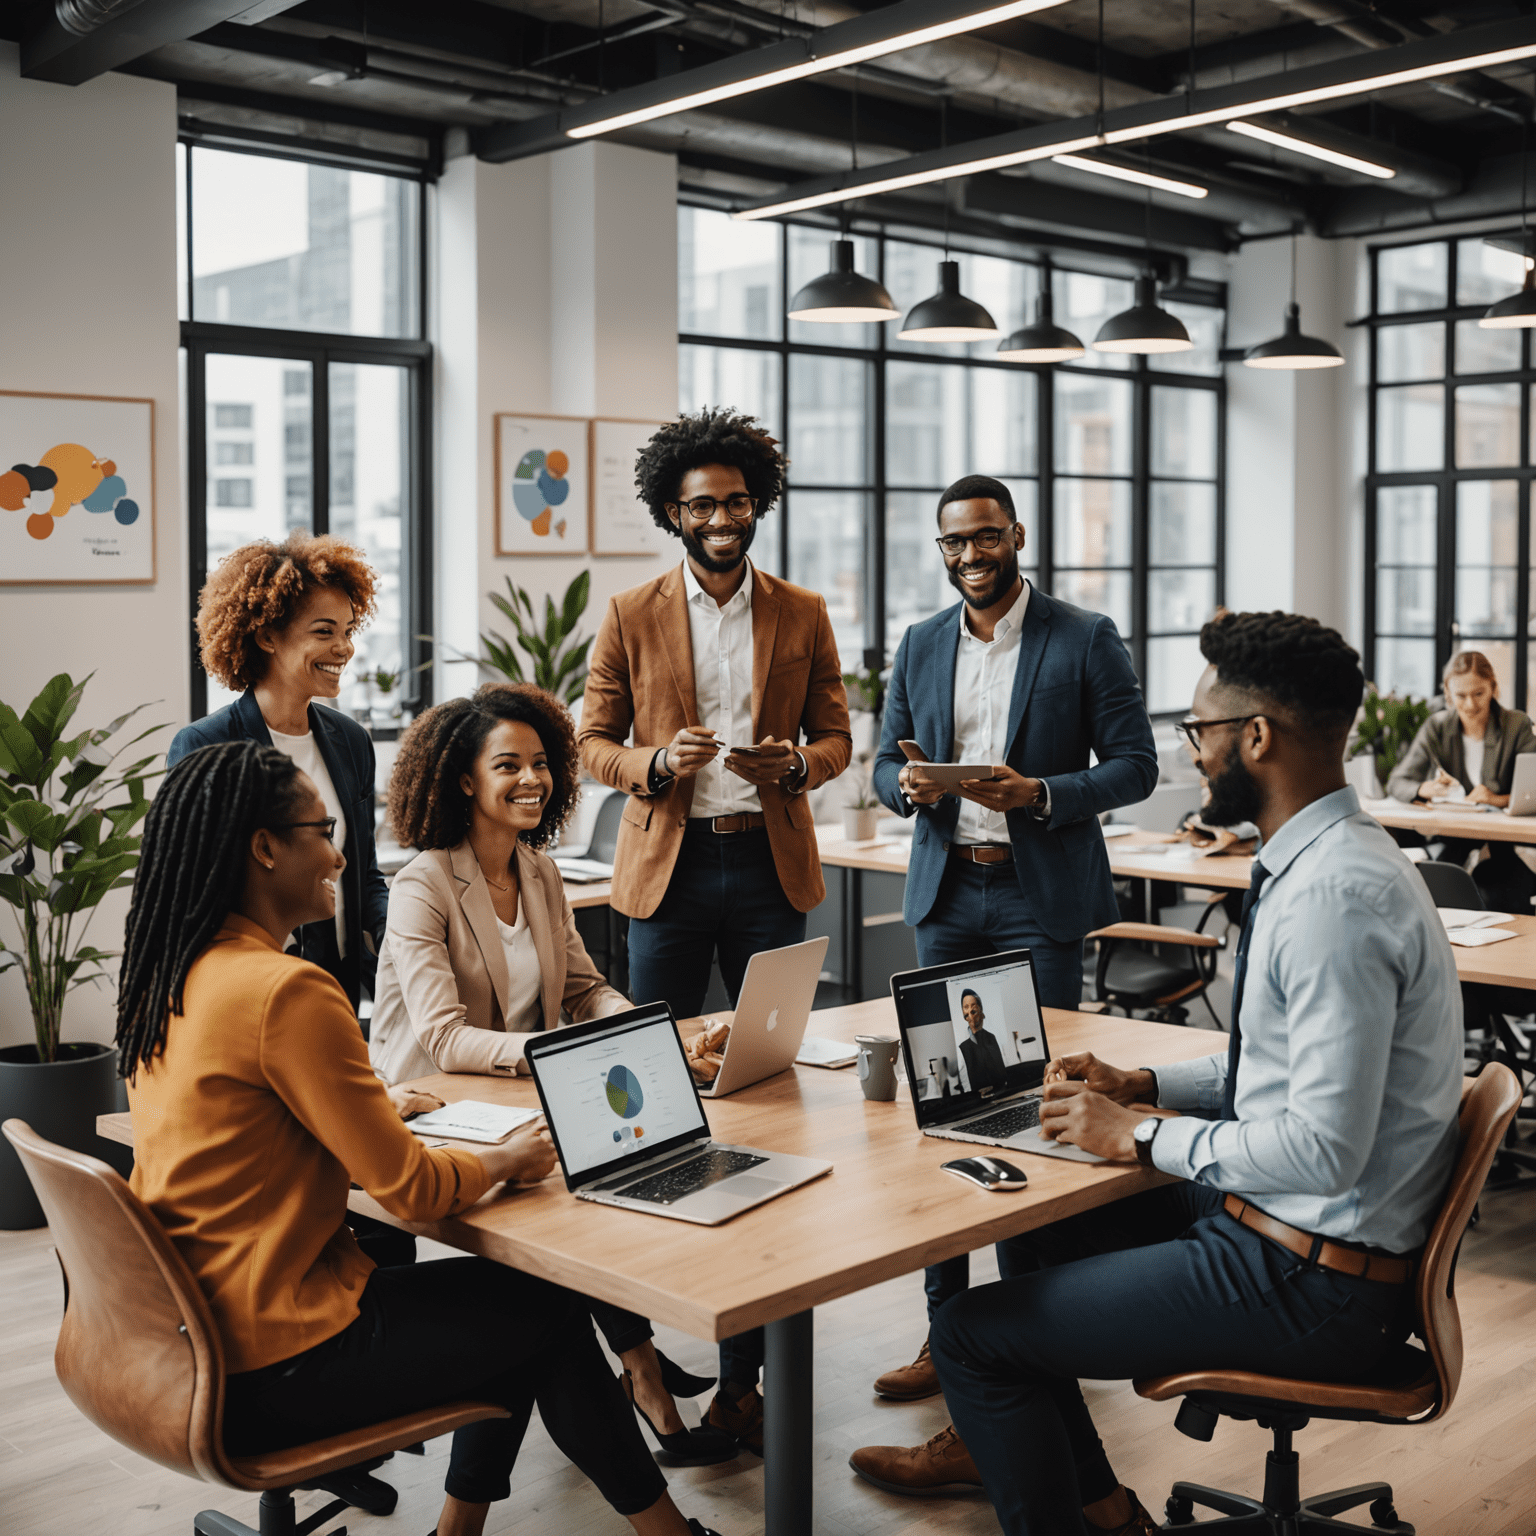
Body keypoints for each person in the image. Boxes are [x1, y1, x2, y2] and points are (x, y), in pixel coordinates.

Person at [854, 610, 1464, 1534]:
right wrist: (1145, 1088)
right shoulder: (1338, 860)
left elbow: (1324, 1151)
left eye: (1201, 732)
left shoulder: (1336, 898)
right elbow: (1277, 1064)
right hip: (1301, 1232)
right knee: (1036, 1230)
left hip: (1314, 1273)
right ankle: (1104, 1511)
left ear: (1255, 737)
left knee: (971, 1337)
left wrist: (1136, 1136)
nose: (1192, 753)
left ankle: (1076, 1507)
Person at [117, 741, 723, 1536]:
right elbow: (410, 1191)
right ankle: (666, 1534)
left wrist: (367, 1105)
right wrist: (506, 1158)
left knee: (521, 1310)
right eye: (322, 829)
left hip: (197, 1337)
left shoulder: (178, 971)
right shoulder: (287, 989)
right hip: (278, 1360)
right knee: (541, 1313)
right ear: (265, 847)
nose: (339, 855)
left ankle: (469, 1532)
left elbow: (247, 1124)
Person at [577, 407, 852, 1451]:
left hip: (767, 864)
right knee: (640, 1097)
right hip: (671, 872)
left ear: (757, 504)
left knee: (766, 1098)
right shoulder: (632, 611)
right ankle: (641, 1337)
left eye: (737, 501)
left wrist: (801, 766)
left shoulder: (804, 611)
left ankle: (748, 1375)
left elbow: (837, 732)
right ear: (672, 515)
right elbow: (591, 740)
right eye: (702, 505)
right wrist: (654, 764)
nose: (723, 518)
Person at [371, 682, 734, 1466]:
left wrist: (638, 1029)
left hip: (519, 1091)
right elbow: (442, 1037)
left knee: (613, 1169)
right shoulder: (423, 883)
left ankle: (639, 1372)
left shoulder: (538, 872)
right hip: (439, 1101)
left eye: (540, 763)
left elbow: (581, 988)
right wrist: (563, 1056)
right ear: (465, 780)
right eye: (508, 765)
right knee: (579, 1191)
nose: (531, 780)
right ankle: (644, 1376)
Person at [864, 474, 1157, 1420]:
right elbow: (883, 761)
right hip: (949, 893)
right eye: (954, 542)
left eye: (985, 537)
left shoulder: (1083, 637)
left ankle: (1035, 1329)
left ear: (1016, 534)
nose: (970, 556)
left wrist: (1038, 794)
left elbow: (1135, 766)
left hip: (1038, 900)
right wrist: (905, 790)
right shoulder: (918, 643)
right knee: (941, 1108)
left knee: (1038, 1105)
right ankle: (946, 1329)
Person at [167, 532, 389, 1016]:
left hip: (339, 986)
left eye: (349, 631)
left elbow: (365, 875)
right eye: (324, 632)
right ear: (267, 636)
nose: (344, 649)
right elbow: (190, 895)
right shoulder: (206, 746)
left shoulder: (352, 742)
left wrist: (407, 948)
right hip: (251, 992)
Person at [1386, 649, 1536, 910]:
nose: (1470, 705)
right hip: (1454, 841)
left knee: (1498, 890)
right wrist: (1425, 788)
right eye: (1460, 696)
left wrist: (1498, 799)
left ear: (1493, 687)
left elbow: (1532, 790)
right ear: (1447, 692)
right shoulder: (1438, 727)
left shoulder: (1516, 725)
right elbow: (1398, 781)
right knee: (1433, 884)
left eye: (1479, 693)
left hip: (1504, 847)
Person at [956, 989, 1006, 1090]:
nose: (970, 1010)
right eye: (966, 1007)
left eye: (973, 1006)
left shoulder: (992, 1037)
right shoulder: (962, 1046)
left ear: (980, 1009)